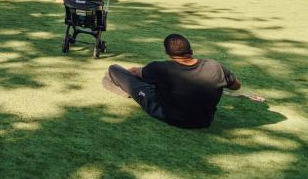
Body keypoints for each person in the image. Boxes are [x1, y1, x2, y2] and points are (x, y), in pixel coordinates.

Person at [102, 34, 242, 129]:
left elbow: (134, 72)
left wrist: (134, 72)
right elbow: (236, 86)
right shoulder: (215, 66)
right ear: (191, 51)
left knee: (113, 69)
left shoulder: (160, 68)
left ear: (168, 54)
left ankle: (126, 91)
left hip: (171, 116)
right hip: (204, 121)